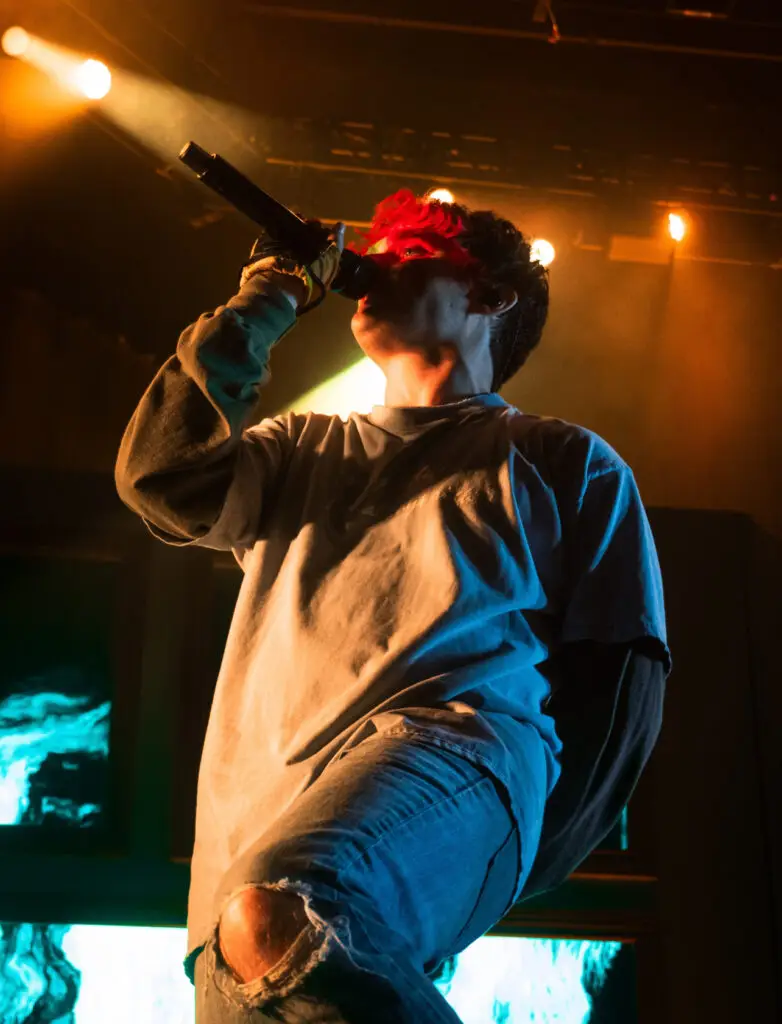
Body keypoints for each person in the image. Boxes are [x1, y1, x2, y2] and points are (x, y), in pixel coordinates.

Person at [115, 189, 670, 1023]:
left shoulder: (563, 459)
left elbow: (624, 683)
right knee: (265, 925)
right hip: (249, 836)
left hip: (454, 756)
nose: (375, 264)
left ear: (490, 296)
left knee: (289, 900)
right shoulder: (297, 449)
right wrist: (267, 294)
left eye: (412, 254)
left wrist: (519, 850)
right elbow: (162, 478)